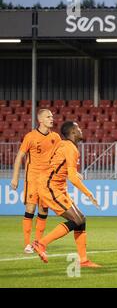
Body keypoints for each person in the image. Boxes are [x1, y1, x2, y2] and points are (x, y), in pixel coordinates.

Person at [32, 121, 100, 268]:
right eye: (79, 128)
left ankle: (83, 260)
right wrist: (89, 194)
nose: (82, 130)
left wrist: (73, 172)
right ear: (73, 132)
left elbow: (58, 163)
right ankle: (41, 243)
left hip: (55, 186)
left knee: (81, 219)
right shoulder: (71, 148)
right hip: (50, 187)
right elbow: (72, 178)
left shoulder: (63, 145)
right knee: (76, 220)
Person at [10, 109, 61, 254]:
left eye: (52, 116)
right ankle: (27, 244)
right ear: (41, 120)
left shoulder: (55, 137)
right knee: (30, 209)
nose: (52, 118)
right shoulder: (31, 136)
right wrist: (15, 177)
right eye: (48, 116)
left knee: (44, 210)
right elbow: (20, 156)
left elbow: (62, 156)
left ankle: (37, 243)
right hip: (32, 178)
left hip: (47, 180)